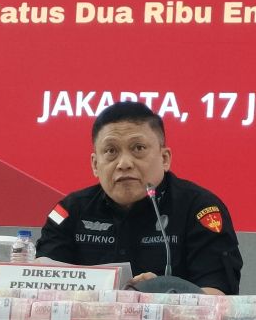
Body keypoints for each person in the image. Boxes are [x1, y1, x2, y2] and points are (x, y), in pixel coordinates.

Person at [36, 101, 243, 295]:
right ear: (95, 164)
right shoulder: (70, 211)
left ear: (165, 158)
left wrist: (160, 294)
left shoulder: (199, 208)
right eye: (111, 151)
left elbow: (218, 296)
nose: (124, 163)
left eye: (138, 148)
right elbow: (40, 287)